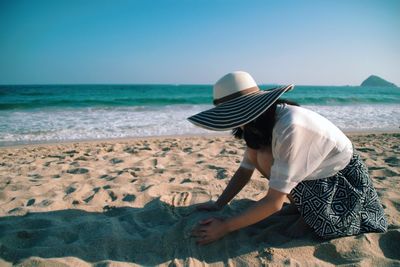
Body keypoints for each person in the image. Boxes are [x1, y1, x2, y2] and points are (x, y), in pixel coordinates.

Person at [188, 71, 387, 245]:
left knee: (265, 158)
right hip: (313, 174)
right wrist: (219, 204)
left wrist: (225, 226)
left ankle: (308, 214)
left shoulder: (290, 127)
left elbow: (274, 203)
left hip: (339, 180)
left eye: (234, 114)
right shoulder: (259, 123)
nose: (234, 121)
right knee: (259, 155)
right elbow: (245, 170)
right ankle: (303, 208)